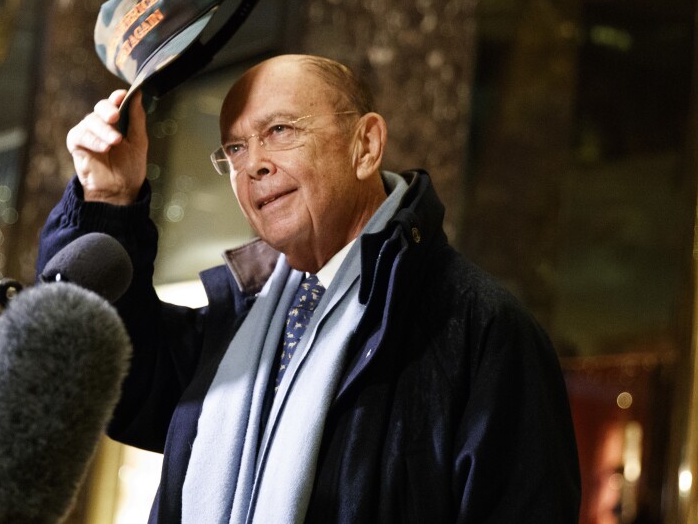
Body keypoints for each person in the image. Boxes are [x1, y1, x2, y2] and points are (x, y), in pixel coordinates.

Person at [37, 54, 581, 523]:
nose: (254, 165)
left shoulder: (479, 329)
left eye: (280, 131)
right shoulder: (237, 321)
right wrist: (106, 200)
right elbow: (113, 380)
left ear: (365, 146)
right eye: (234, 149)